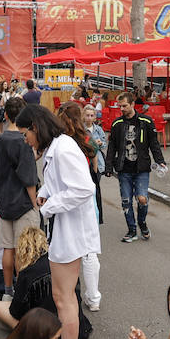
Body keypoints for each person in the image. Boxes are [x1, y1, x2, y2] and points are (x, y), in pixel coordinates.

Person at [19, 104, 96, 339]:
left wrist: (49, 205)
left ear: (35, 128)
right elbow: (61, 183)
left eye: (25, 133)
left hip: (71, 230)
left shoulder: (62, 148)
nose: (25, 139)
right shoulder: (58, 147)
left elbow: (84, 188)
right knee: (63, 297)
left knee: (64, 300)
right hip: (66, 229)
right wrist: (46, 193)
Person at [0, 96, 38, 299]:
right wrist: (35, 204)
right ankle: (23, 293)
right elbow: (29, 178)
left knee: (7, 249)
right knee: (23, 250)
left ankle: (8, 291)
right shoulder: (24, 140)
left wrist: (0, 196)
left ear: (6, 115)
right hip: (23, 203)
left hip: (5, 201)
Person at [57, 101, 103, 312]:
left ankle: (71, 294)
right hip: (87, 196)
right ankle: (93, 297)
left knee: (70, 249)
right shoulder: (85, 138)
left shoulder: (61, 140)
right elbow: (94, 157)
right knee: (89, 250)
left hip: (67, 195)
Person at [105, 93, 166, 244]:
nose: (122, 109)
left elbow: (154, 143)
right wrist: (108, 166)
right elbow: (111, 147)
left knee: (142, 199)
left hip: (142, 168)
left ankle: (142, 223)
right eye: (120, 106)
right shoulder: (117, 124)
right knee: (126, 201)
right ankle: (132, 230)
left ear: (132, 104)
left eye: (124, 106)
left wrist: (160, 161)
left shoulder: (146, 121)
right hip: (123, 169)